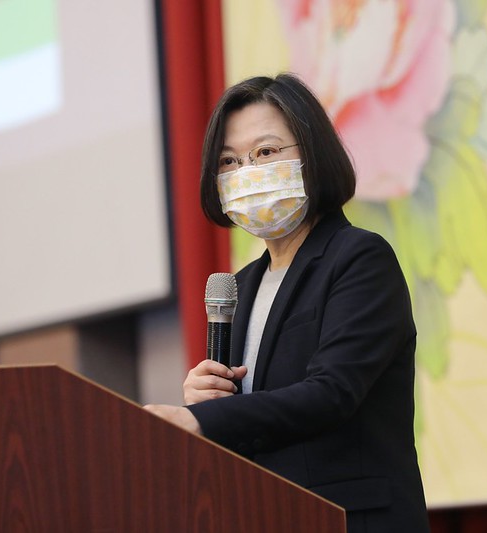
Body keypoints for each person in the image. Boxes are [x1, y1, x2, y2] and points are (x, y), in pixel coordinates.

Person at [144, 73, 430, 532]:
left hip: (349, 519)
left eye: (265, 153)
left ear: (311, 154)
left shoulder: (358, 258)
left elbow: (331, 394)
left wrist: (205, 421)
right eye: (229, 161)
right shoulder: (241, 286)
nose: (246, 172)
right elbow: (253, 427)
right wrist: (208, 400)